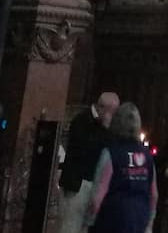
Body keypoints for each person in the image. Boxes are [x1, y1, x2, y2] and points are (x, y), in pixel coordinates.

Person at [86, 102, 158, 233]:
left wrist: (89, 222)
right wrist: (150, 223)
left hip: (112, 219)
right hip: (139, 219)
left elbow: (98, 194)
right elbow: (153, 194)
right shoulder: (147, 156)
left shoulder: (111, 153)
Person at [58, 91, 119, 233]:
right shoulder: (81, 120)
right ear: (103, 108)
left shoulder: (104, 126)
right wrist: (105, 129)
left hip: (93, 183)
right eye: (114, 112)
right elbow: (86, 150)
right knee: (70, 226)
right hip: (77, 185)